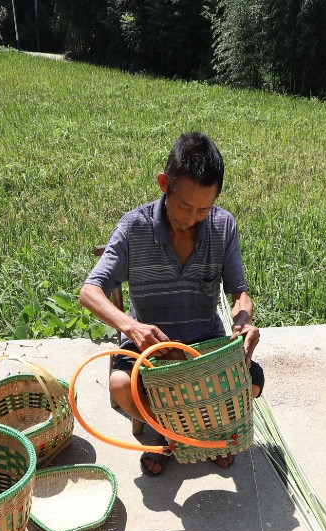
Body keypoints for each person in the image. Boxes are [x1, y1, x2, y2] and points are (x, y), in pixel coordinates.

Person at [80, 131, 264, 476]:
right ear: (165, 184)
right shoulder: (134, 227)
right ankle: (171, 435)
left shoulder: (223, 226)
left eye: (204, 208)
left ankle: (198, 432)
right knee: (120, 385)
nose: (193, 217)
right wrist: (130, 326)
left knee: (253, 382)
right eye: (184, 206)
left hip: (203, 347)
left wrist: (244, 322)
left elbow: (240, 292)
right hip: (151, 350)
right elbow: (90, 291)